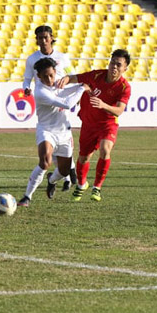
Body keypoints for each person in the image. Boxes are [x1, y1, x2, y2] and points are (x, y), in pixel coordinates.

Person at [57, 49, 132, 202]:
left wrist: (104, 105)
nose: (114, 67)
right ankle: (81, 184)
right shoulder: (96, 75)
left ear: (125, 68)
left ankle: (97, 188)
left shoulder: (124, 87)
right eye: (112, 63)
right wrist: (66, 79)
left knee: (105, 150)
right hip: (89, 124)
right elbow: (76, 78)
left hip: (107, 124)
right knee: (83, 158)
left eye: (119, 65)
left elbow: (119, 111)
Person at [18, 57, 87, 207]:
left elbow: (66, 91)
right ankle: (27, 197)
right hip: (46, 131)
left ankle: (51, 180)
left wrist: (81, 85)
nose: (49, 79)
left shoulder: (57, 83)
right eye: (45, 76)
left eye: (51, 75)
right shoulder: (40, 92)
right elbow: (67, 103)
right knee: (45, 161)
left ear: (55, 72)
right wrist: (82, 88)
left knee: (63, 171)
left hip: (64, 133)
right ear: (39, 76)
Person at [22, 25, 77, 191]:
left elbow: (71, 74)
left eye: (46, 37)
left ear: (52, 38)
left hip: (63, 96)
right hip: (46, 98)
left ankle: (67, 175)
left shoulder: (62, 57)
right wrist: (26, 87)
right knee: (52, 135)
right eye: (40, 38)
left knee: (63, 132)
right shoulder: (32, 59)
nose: (43, 41)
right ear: (36, 40)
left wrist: (76, 88)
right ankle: (68, 175)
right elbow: (27, 78)